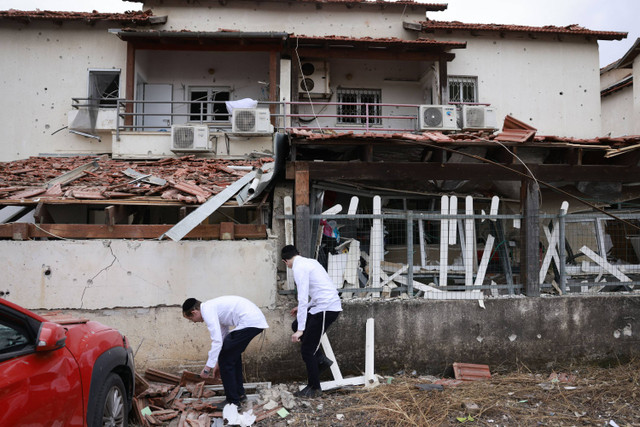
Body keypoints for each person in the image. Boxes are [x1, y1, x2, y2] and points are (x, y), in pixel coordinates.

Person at [182, 296, 268, 407]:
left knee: (227, 360)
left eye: (191, 320)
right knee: (231, 356)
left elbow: (216, 341)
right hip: (252, 321)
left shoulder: (207, 311)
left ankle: (233, 401)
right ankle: (239, 395)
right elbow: (223, 335)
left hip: (250, 322)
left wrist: (208, 368)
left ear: (194, 312)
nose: (194, 322)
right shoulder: (211, 308)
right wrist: (218, 363)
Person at [281, 244, 342, 398]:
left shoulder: (298, 268)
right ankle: (321, 360)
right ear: (299, 253)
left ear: (285, 261)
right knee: (295, 324)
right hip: (322, 305)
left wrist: (301, 330)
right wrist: (304, 309)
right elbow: (319, 290)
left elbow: (302, 297)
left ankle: (314, 388)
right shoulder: (310, 262)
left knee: (307, 350)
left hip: (326, 309)